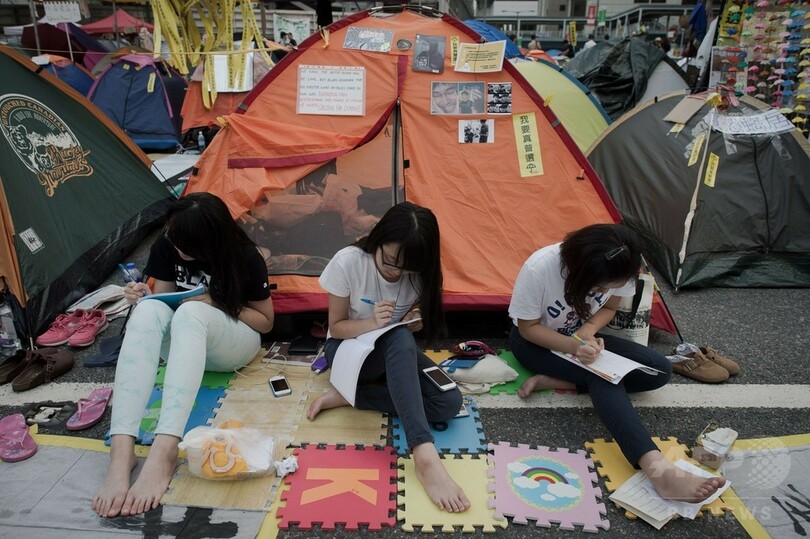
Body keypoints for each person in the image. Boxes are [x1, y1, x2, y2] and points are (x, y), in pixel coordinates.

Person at [508, 224, 726, 502]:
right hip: (535, 345)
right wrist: (575, 347)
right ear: (580, 271)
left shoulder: (623, 265)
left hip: (582, 339)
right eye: (599, 287)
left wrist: (587, 332)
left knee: (659, 370)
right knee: (605, 376)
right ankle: (659, 471)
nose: (603, 292)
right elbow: (527, 329)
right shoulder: (540, 268)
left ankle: (560, 379)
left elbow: (610, 308)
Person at [93, 193, 275, 518]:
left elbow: (265, 321)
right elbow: (166, 302)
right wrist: (145, 297)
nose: (176, 249)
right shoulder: (168, 243)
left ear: (210, 244)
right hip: (184, 342)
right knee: (147, 313)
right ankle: (122, 452)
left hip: (232, 341)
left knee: (191, 313)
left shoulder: (243, 256)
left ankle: (164, 452)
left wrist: (217, 301)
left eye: (186, 247)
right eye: (173, 240)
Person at [306, 202, 470, 513]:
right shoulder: (349, 261)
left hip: (389, 351)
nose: (396, 272)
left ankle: (354, 395)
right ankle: (424, 455)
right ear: (379, 237)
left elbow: (405, 326)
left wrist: (414, 318)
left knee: (447, 401)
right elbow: (337, 328)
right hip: (345, 350)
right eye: (391, 261)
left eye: (407, 269)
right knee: (398, 335)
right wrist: (373, 323)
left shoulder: (419, 274)